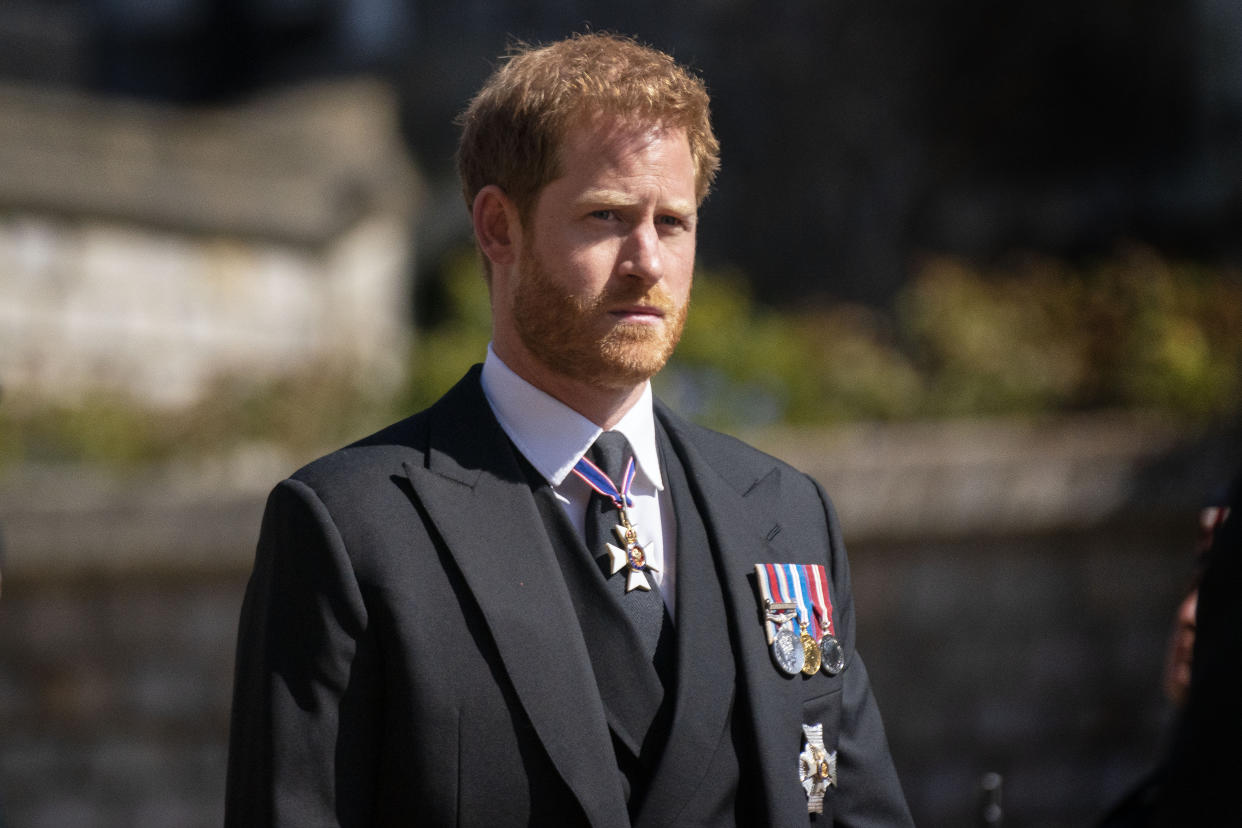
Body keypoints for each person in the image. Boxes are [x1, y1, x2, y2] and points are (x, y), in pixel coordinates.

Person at [225, 33, 912, 827]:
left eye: (674, 223)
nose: (647, 261)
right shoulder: (353, 529)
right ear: (498, 228)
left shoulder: (788, 516)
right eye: (607, 217)